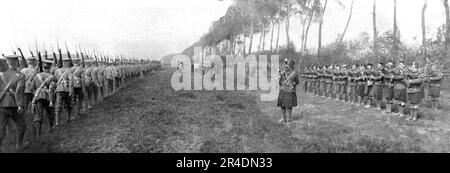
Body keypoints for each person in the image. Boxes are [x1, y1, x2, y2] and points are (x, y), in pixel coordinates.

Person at [0, 55, 27, 152]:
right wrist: (20, 105)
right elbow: (19, 92)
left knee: (1, 128)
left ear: (7, 63)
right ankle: (19, 146)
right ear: (17, 63)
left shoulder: (1, 75)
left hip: (2, 104)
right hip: (14, 105)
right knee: (22, 126)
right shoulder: (21, 76)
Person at [30, 59, 57, 140]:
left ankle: (38, 135)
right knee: (51, 113)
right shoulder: (52, 77)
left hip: (38, 97)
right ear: (50, 67)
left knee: (38, 116)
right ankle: (51, 129)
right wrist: (52, 101)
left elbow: (31, 88)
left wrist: (36, 93)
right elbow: (51, 90)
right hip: (48, 97)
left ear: (44, 67)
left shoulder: (36, 76)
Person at [53, 55, 73, 127]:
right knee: (69, 104)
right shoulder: (69, 70)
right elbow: (71, 81)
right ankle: (69, 118)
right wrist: (71, 90)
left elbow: (54, 81)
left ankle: (57, 122)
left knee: (58, 106)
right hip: (66, 90)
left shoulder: (56, 71)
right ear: (67, 63)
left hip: (58, 89)